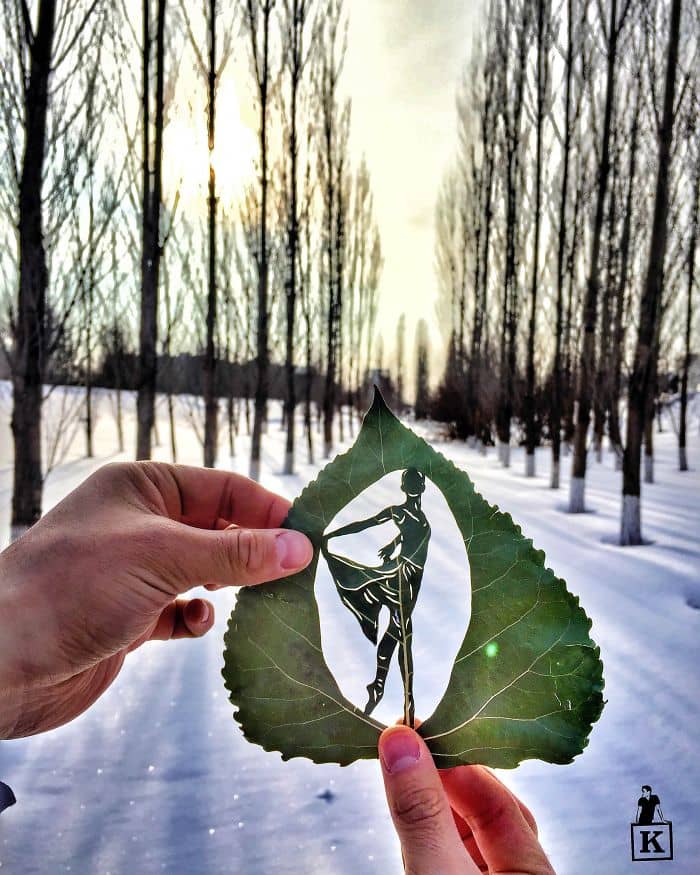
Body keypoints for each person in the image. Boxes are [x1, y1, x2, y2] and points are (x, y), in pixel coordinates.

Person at [0, 462, 555, 874]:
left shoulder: (420, 523)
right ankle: (386, 681)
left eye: (412, 489)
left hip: (400, 587)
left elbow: (402, 549)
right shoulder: (404, 514)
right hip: (389, 582)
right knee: (388, 637)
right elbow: (372, 529)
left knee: (395, 641)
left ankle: (388, 682)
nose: (409, 495)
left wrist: (13, 678)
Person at [322, 468, 430, 722]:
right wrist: (332, 535)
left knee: (396, 631)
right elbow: (365, 524)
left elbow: (414, 536)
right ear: (415, 488)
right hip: (403, 577)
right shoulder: (399, 512)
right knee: (405, 634)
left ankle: (379, 686)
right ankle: (408, 700)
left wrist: (394, 544)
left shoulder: (408, 515)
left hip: (409, 575)